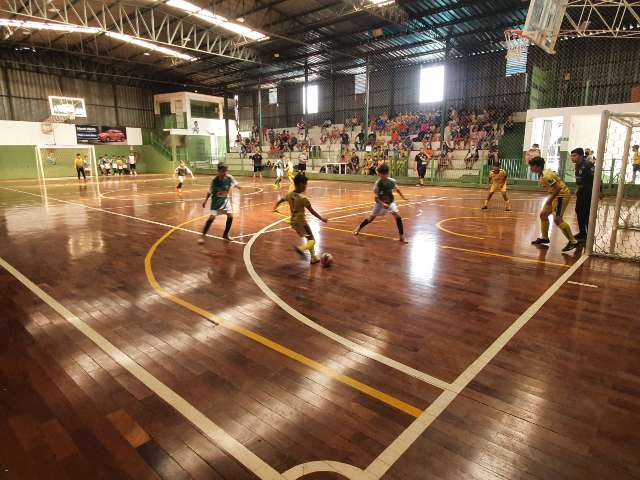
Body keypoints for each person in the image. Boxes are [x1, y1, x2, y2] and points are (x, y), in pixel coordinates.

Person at [273, 174, 327, 264]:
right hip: (301, 222)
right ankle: (301, 249)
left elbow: (280, 200)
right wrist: (322, 219)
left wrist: (275, 208)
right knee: (312, 240)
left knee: (309, 238)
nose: (305, 187)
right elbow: (312, 211)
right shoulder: (303, 198)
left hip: (294, 222)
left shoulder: (289, 195)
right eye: (304, 185)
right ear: (299, 184)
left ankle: (313, 257)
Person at [528, 156, 578, 252]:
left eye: (532, 166)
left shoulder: (546, 175)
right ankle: (545, 238)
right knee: (543, 215)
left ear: (537, 166)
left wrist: (549, 200)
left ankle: (573, 241)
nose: (530, 169)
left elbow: (558, 188)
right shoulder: (542, 173)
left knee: (557, 219)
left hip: (561, 196)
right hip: (556, 196)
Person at [353, 163, 408, 243]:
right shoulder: (377, 184)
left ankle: (402, 237)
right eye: (381, 175)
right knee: (370, 218)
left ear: (387, 173)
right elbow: (376, 198)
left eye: (384, 174)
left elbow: (397, 189)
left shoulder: (392, 181)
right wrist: (382, 204)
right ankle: (358, 228)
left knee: (398, 216)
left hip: (390, 202)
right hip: (380, 203)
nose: (383, 176)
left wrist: (403, 197)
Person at [199, 164, 241, 243]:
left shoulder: (229, 178)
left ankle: (225, 235)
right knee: (211, 218)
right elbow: (209, 191)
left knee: (230, 216)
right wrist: (205, 201)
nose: (225, 172)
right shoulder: (215, 180)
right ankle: (202, 236)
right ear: (218, 171)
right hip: (216, 201)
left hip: (225, 200)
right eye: (223, 171)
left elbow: (235, 183)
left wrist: (238, 186)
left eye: (226, 171)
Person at [571, 147, 594, 242]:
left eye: (574, 155)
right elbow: (580, 180)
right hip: (581, 192)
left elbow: (596, 178)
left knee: (586, 213)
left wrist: (599, 192)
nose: (572, 158)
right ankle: (582, 233)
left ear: (580, 156)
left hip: (588, 192)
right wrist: (578, 188)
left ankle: (589, 235)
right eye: (571, 156)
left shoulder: (588, 164)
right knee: (578, 210)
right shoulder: (577, 165)